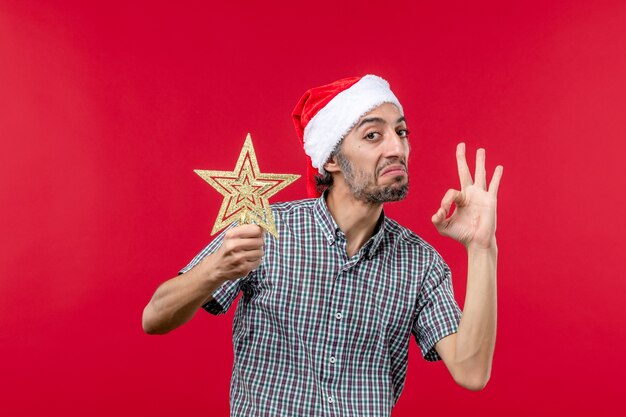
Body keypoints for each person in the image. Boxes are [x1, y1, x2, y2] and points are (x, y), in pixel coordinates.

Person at [142, 74, 503, 416]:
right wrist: (214, 269)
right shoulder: (267, 228)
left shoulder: (420, 263)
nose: (397, 147)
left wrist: (482, 248)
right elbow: (154, 317)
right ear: (331, 159)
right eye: (374, 135)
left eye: (402, 131)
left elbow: (471, 372)